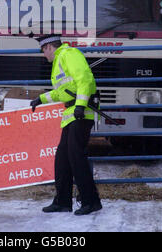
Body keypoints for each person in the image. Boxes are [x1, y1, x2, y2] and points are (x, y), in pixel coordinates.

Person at [30, 35, 102, 215]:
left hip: (81, 114)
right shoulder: (59, 61)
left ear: (49, 47)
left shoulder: (69, 54)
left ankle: (91, 201)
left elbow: (84, 79)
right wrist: (41, 99)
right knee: (62, 159)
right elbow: (62, 92)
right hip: (71, 115)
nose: (43, 55)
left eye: (43, 51)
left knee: (76, 158)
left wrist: (80, 105)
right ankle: (62, 202)